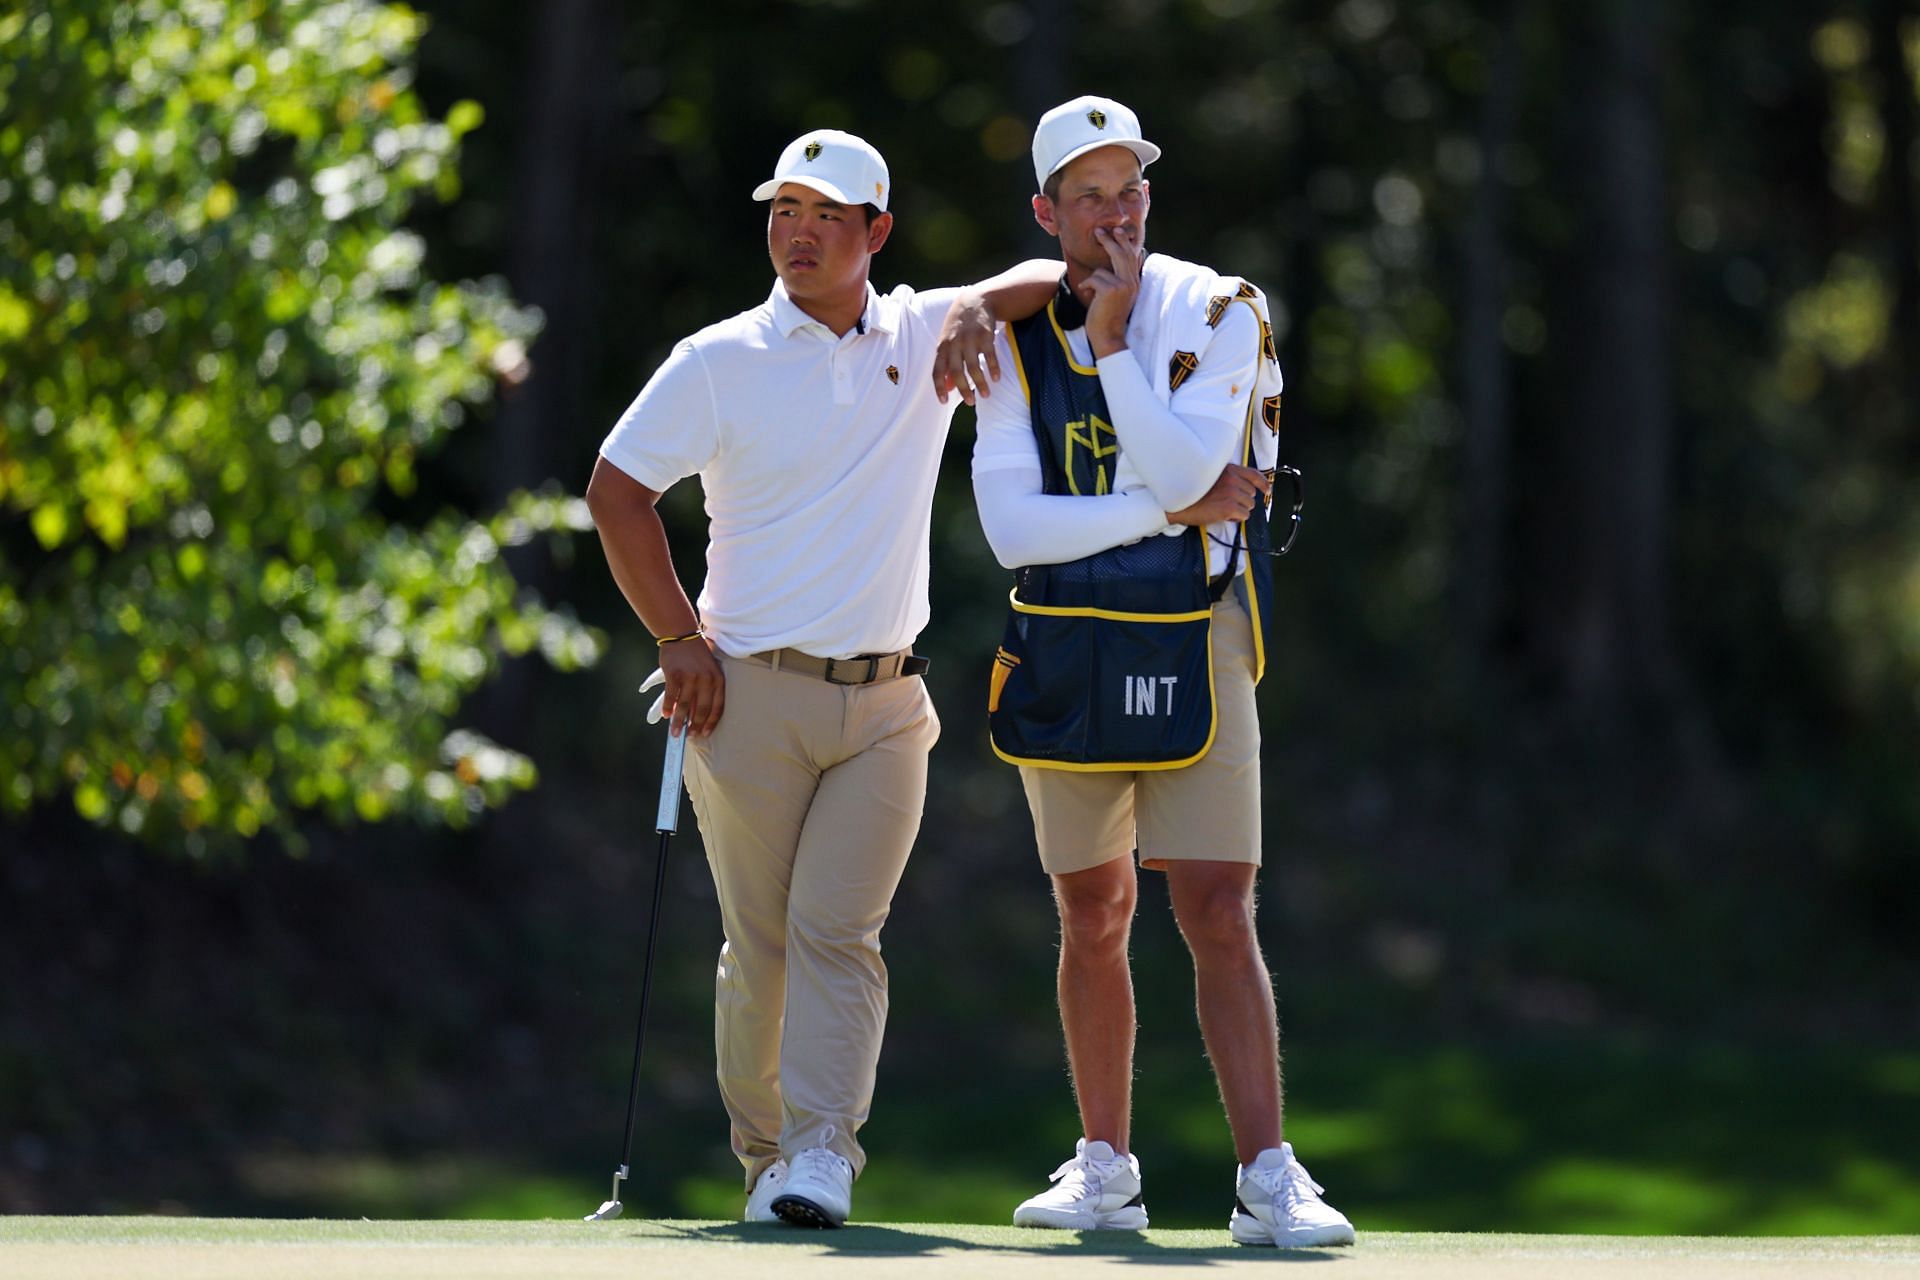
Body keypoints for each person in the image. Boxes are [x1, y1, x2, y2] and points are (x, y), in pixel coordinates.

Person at [585, 128, 1054, 1229]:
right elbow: (616, 491)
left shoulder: (923, 326)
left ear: (875, 233)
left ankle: (820, 1151)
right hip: (744, 695)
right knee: (764, 945)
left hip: (889, 705)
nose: (797, 230)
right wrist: (676, 636)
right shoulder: (719, 358)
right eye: (784, 208)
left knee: (840, 928)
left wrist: (981, 306)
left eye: (826, 214)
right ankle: (763, 1160)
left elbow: (1048, 276)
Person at [960, 95, 1356, 1248]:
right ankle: (1105, 1166)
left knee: (1217, 903)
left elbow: (1191, 456)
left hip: (1199, 626)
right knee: (1092, 908)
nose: (1116, 214)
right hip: (1065, 629)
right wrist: (1160, 506)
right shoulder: (1008, 329)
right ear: (1047, 211)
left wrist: (1124, 350)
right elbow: (1012, 532)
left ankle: (1267, 1175)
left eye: (1130, 188)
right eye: (1089, 196)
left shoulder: (1221, 305)